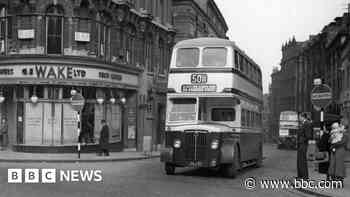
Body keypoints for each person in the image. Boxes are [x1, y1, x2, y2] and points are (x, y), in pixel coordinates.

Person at [328, 117, 348, 183]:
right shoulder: (336, 131)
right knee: (333, 163)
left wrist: (334, 144)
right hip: (334, 150)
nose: (340, 126)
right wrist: (331, 139)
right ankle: (333, 176)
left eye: (342, 125)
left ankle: (339, 178)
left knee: (339, 164)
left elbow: (342, 142)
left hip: (340, 150)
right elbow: (330, 140)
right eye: (340, 125)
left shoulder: (345, 134)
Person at [297, 113, 313, 179]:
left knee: (302, 161)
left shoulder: (307, 124)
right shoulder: (303, 124)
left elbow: (308, 136)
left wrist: (302, 140)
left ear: (303, 117)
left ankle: (305, 176)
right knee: (299, 161)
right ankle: (300, 176)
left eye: (299, 117)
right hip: (300, 144)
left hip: (303, 145)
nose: (298, 118)